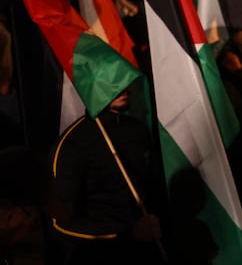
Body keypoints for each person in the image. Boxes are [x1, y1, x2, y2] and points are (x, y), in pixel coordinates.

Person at [49, 90, 164, 265]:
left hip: (149, 251)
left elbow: (154, 190)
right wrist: (126, 235)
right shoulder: (73, 143)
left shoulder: (137, 129)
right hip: (101, 256)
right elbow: (59, 224)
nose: (121, 87)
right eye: (108, 79)